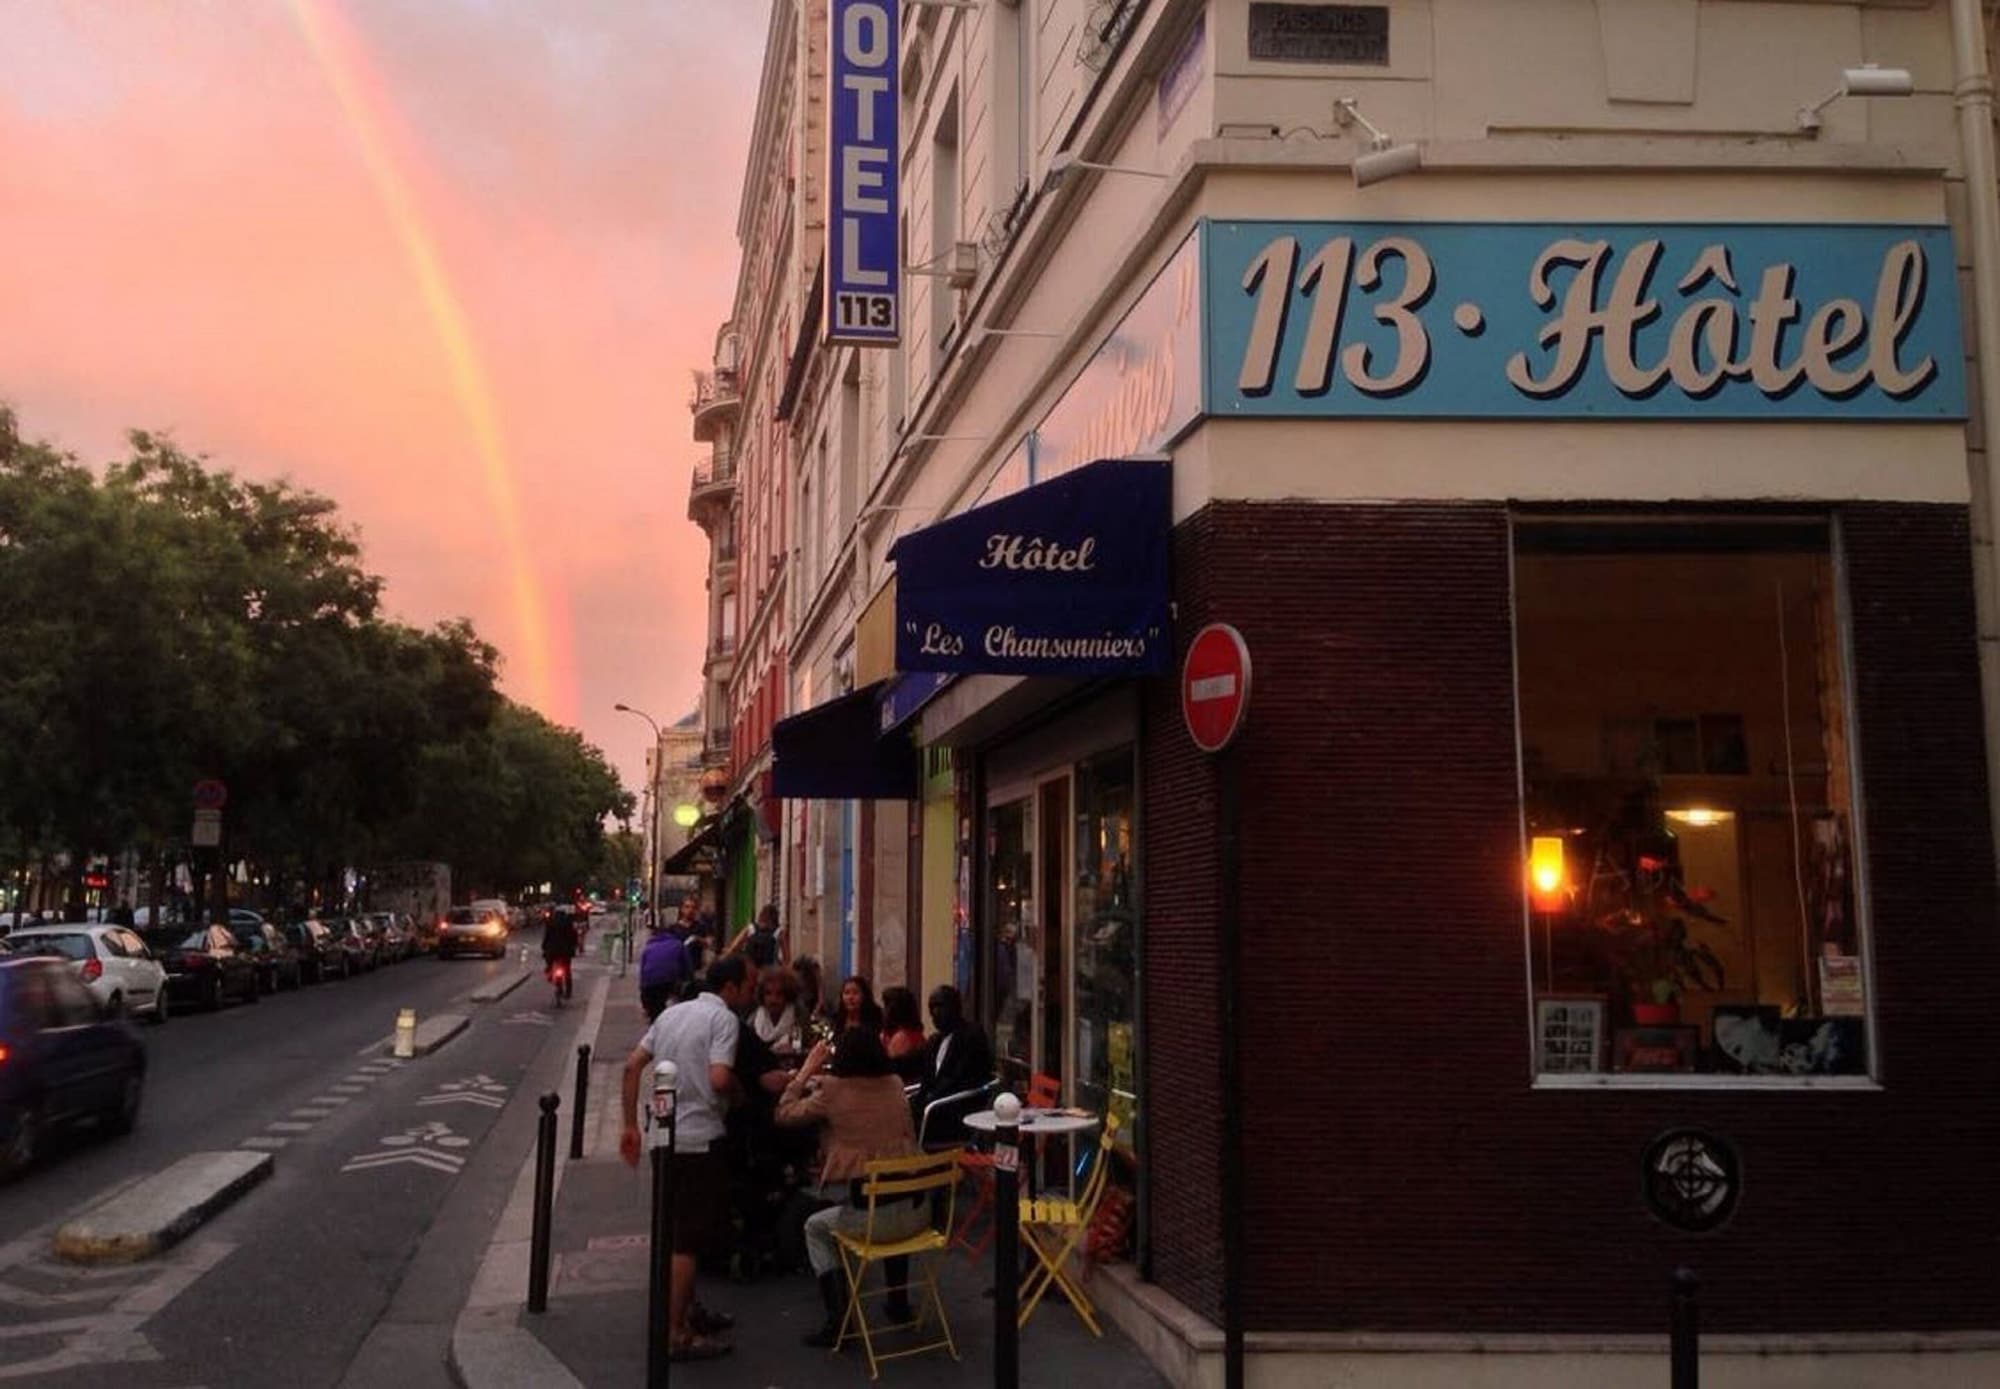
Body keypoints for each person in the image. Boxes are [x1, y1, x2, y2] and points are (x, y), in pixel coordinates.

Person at [620, 955, 759, 1362]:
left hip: (663, 1139)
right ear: (730, 988)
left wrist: (629, 1125)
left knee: (677, 1230)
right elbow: (718, 1077)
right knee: (688, 1241)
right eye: (748, 985)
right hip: (700, 1140)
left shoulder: (671, 1015)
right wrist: (736, 1092)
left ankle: (688, 1310)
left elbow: (631, 1066)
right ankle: (674, 1333)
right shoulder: (724, 1021)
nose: (751, 992)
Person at [775, 1028, 926, 1346]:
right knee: (889, 1196)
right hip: (918, 1214)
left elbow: (784, 1115)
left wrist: (804, 1073)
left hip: (872, 1221)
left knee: (815, 1227)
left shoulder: (831, 1090)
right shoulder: (896, 1084)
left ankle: (839, 1321)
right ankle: (898, 1304)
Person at [913, 985, 994, 1145]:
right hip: (935, 1104)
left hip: (959, 1107)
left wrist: (931, 1099)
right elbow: (926, 1079)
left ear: (956, 1007)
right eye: (932, 1008)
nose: (935, 1013)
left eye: (940, 1006)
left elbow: (963, 1076)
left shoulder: (971, 1035)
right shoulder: (934, 1041)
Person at [637, 911, 693, 1022]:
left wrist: (643, 993)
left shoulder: (648, 948)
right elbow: (687, 966)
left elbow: (643, 971)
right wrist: (689, 980)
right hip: (670, 981)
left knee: (655, 1012)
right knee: (678, 1004)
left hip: (650, 984)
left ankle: (655, 1026)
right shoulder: (678, 944)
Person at [750, 966, 805, 1057]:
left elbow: (800, 1046)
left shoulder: (798, 1015)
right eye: (768, 993)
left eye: (779, 994)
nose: (773, 999)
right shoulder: (753, 1021)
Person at [880, 986, 927, 1082]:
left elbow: (890, 1070)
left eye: (886, 1006)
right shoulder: (892, 1033)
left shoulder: (902, 1037)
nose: (883, 1010)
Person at [539, 905, 579, 1000]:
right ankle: (568, 991)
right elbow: (574, 937)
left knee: (549, 961)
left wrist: (544, 946)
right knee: (567, 970)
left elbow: (546, 937)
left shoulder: (551, 922)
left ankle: (549, 971)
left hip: (552, 950)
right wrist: (574, 946)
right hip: (566, 951)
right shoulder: (568, 923)